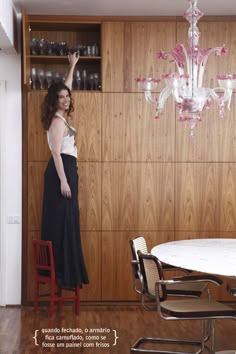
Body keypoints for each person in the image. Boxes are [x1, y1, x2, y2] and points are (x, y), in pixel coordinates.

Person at [41, 52, 89, 289]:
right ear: (54, 101)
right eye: (60, 97)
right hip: (62, 171)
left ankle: (65, 274)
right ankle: (61, 274)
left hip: (68, 170)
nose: (66, 99)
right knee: (63, 221)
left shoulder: (61, 116)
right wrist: (63, 181)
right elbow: (56, 153)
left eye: (67, 97)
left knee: (68, 220)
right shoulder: (58, 122)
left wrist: (72, 66)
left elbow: (66, 88)